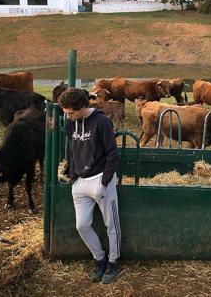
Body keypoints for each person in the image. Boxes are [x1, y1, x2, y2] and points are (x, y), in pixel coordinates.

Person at [58, 88, 121, 284]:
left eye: (71, 112)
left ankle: (113, 263)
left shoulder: (102, 122)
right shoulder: (70, 123)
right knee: (82, 225)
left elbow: (112, 152)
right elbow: (72, 148)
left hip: (101, 179)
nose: (68, 116)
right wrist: (74, 176)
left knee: (111, 225)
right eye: (66, 113)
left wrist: (105, 181)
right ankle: (99, 259)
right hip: (80, 182)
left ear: (83, 107)